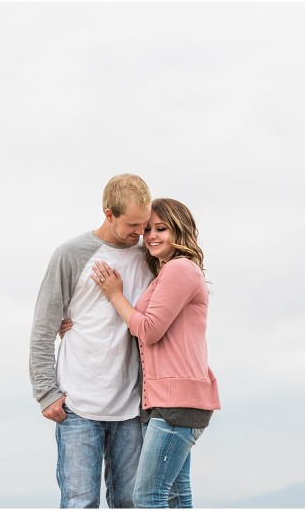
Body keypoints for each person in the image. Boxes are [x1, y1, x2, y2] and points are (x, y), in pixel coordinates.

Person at [29, 173, 154, 508]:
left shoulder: (148, 257)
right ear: (108, 214)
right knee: (80, 503)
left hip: (131, 407)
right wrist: (45, 392)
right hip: (78, 406)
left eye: (144, 224)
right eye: (132, 225)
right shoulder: (70, 254)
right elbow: (44, 325)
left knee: (130, 503)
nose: (139, 233)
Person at [89, 197, 221, 508]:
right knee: (175, 497)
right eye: (147, 229)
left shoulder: (179, 269)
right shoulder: (168, 272)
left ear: (179, 229)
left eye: (160, 228)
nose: (151, 236)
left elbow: (148, 329)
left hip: (177, 403)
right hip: (168, 401)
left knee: (148, 497)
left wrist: (114, 295)